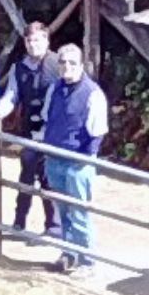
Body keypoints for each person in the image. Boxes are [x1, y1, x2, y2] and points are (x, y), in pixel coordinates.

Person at [39, 43, 109, 274]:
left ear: (81, 65)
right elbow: (46, 117)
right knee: (63, 212)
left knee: (79, 214)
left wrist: (84, 160)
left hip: (78, 163)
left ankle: (87, 262)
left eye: (72, 63)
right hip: (54, 158)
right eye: (63, 62)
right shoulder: (55, 89)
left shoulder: (92, 93)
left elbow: (97, 132)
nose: (67, 67)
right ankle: (69, 254)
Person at [0, 21, 61, 234]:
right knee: (26, 175)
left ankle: (53, 225)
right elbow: (11, 96)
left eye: (38, 40)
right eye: (29, 40)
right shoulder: (19, 67)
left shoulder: (58, 64)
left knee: (48, 176)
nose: (33, 44)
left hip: (52, 132)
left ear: (46, 40)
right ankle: (19, 222)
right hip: (28, 131)